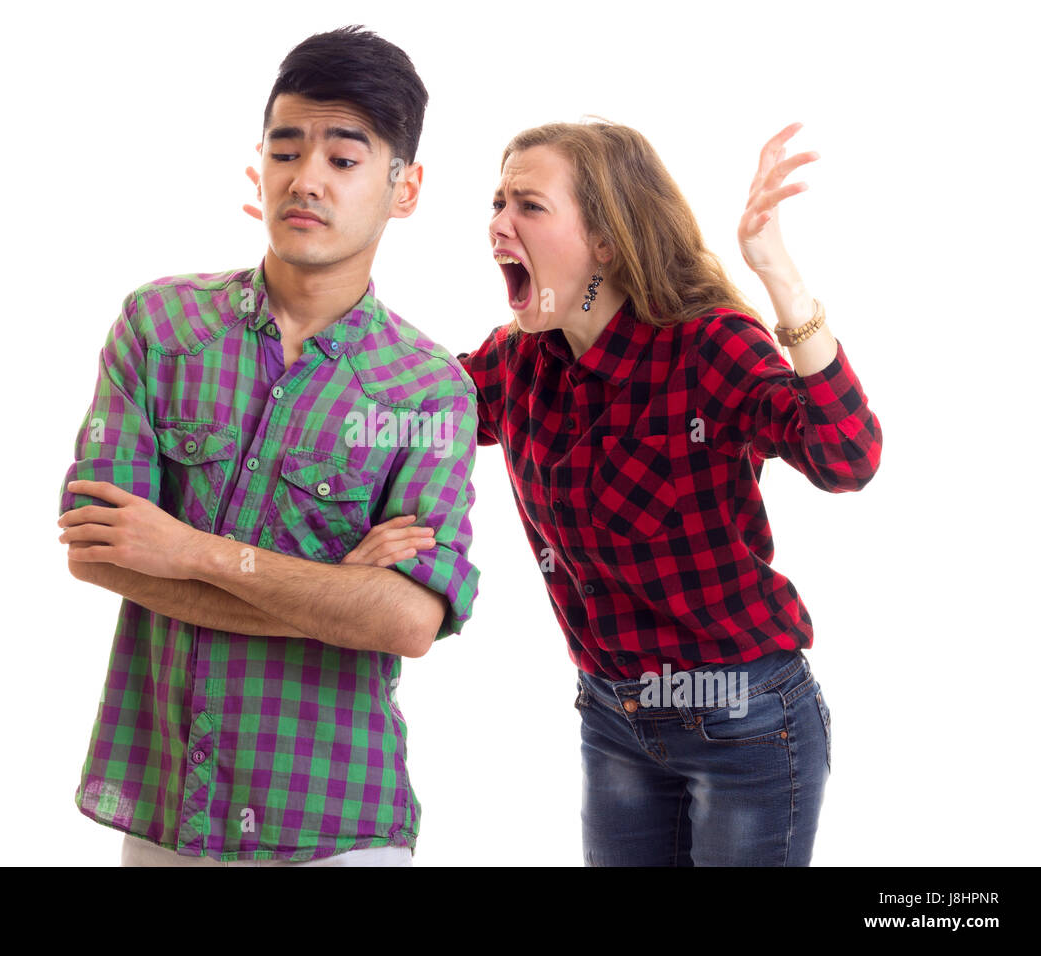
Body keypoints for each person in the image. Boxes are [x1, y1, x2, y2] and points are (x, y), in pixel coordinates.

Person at [341, 119, 883, 865]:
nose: (497, 224)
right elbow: (402, 411)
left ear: (604, 238)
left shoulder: (710, 344)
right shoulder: (521, 360)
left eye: (528, 206)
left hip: (744, 719)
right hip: (614, 719)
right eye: (496, 204)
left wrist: (778, 276)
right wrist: (331, 262)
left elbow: (846, 457)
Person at [55, 25, 480, 866]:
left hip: (335, 827)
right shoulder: (161, 326)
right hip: (168, 808)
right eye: (286, 150)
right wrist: (334, 595)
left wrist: (185, 551)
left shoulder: (427, 390)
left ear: (406, 187)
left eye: (344, 159)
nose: (306, 180)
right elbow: (99, 553)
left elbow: (406, 619)